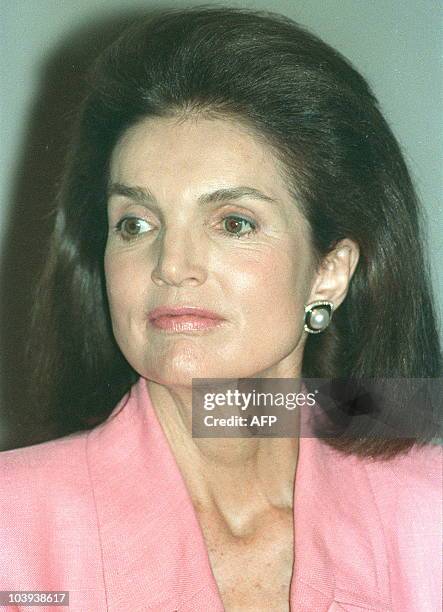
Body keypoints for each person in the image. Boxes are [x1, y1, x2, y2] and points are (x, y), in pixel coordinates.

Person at [0, 7, 441, 611]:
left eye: (233, 223)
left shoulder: (428, 510)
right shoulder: (14, 527)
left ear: (328, 271)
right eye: (135, 224)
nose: (171, 264)